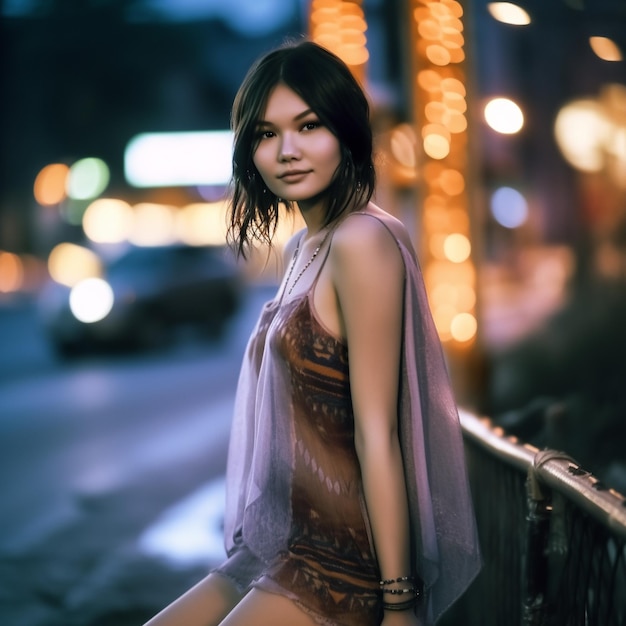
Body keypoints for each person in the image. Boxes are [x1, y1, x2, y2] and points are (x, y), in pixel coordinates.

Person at [144, 39, 480, 626]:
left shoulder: (363, 243)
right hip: (287, 548)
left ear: (345, 131)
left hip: (344, 564)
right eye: (266, 134)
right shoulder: (304, 246)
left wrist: (399, 602)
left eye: (308, 125)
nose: (288, 151)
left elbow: (380, 434)